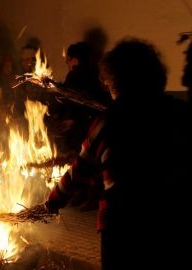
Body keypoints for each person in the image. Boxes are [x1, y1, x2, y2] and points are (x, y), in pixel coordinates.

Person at [44, 39, 191, 269]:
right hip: (172, 220)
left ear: (116, 83)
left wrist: (52, 202)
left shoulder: (109, 121)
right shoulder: (181, 114)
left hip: (122, 225)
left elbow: (78, 171)